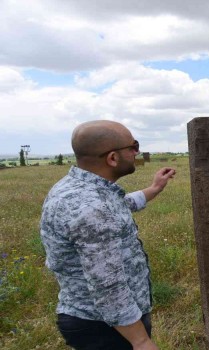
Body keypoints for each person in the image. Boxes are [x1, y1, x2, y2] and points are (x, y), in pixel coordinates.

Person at [40, 120, 176, 350]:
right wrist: (140, 341)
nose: (137, 152)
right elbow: (108, 286)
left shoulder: (82, 188)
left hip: (104, 321)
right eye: (133, 146)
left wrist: (154, 189)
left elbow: (119, 206)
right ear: (112, 158)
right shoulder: (90, 206)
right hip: (106, 327)